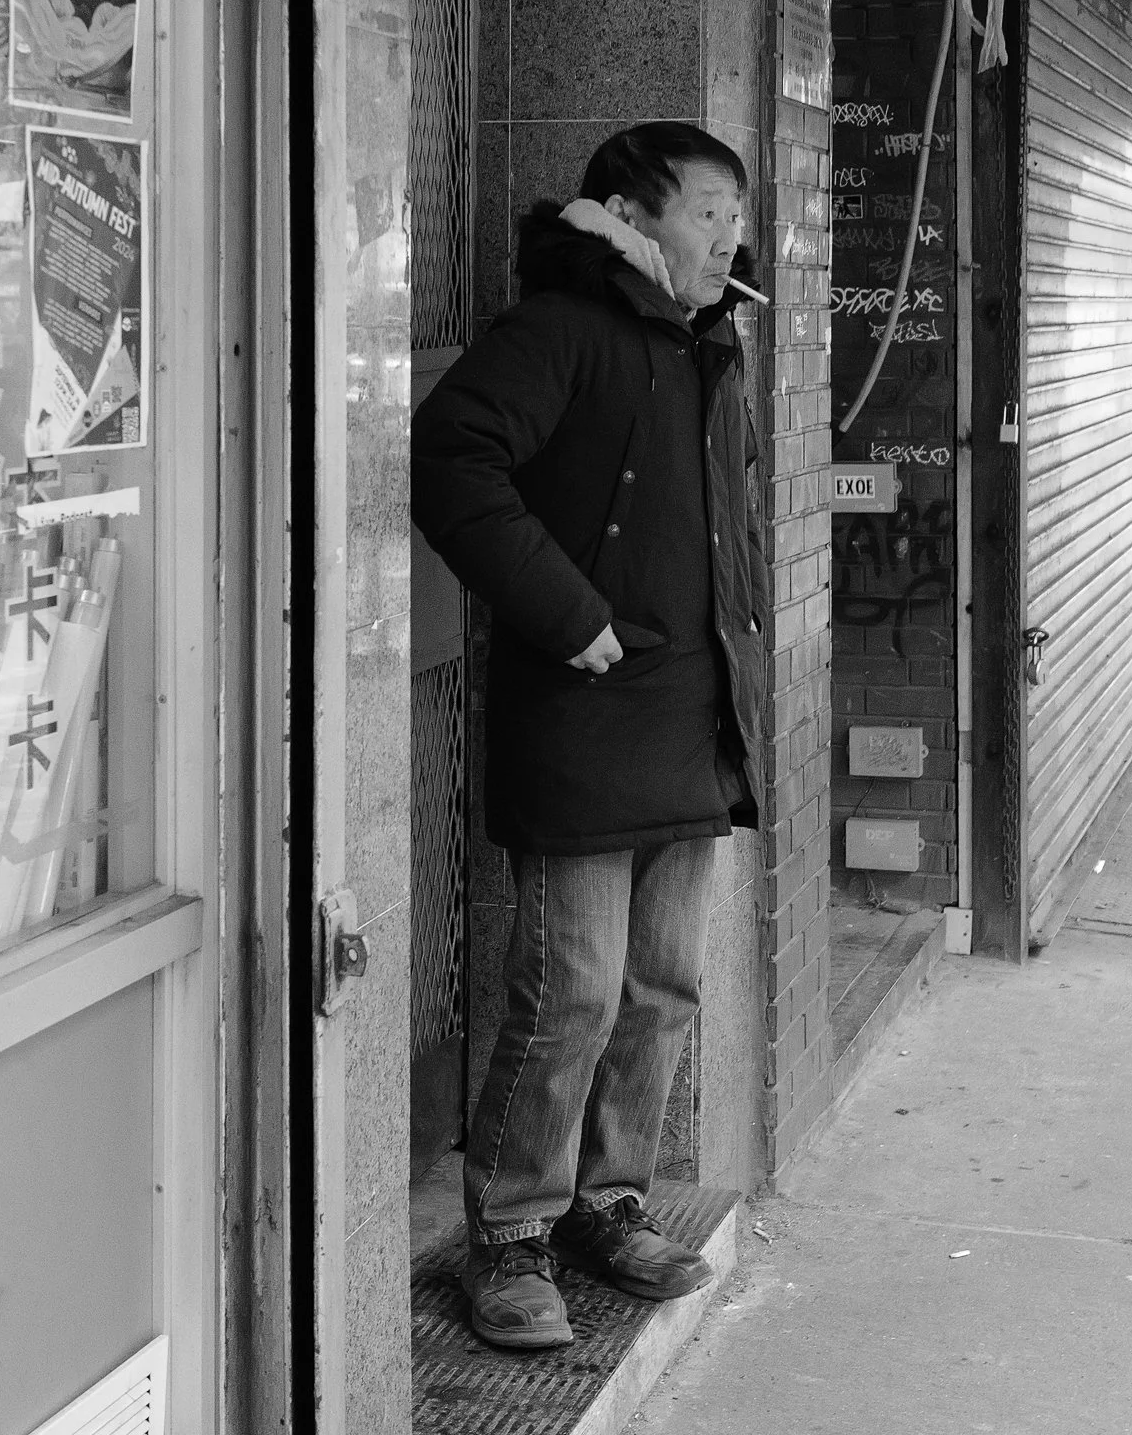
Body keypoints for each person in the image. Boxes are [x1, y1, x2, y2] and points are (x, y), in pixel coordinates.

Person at [410, 121, 768, 1350]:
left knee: (661, 986)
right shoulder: (561, 328)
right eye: (707, 206)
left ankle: (605, 1204)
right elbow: (452, 460)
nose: (731, 231)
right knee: (567, 990)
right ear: (627, 213)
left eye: (736, 208)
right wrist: (570, 616)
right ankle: (506, 1234)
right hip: (584, 711)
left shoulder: (707, 341)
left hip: (690, 714)